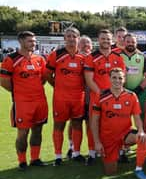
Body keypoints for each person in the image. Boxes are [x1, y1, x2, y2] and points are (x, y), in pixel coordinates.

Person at [0, 31, 48, 170]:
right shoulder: (11, 59)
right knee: (23, 133)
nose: (33, 43)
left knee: (38, 130)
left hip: (40, 101)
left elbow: (43, 78)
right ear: (20, 41)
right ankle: (22, 161)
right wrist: (19, 93)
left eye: (34, 41)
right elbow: (3, 82)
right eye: (30, 41)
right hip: (22, 103)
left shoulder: (39, 59)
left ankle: (35, 158)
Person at [91, 68, 146, 179]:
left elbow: (137, 117)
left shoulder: (131, 96)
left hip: (125, 134)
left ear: (124, 80)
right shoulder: (101, 96)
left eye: (120, 78)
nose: (117, 80)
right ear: (109, 79)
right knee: (110, 172)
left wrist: (141, 130)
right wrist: (97, 142)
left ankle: (138, 169)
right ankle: (118, 153)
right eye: (114, 77)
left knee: (142, 138)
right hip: (108, 137)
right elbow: (94, 121)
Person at [45, 27, 86, 165]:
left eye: (74, 36)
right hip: (60, 98)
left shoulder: (84, 57)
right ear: (64, 38)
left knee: (77, 124)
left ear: (78, 38)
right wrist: (57, 86)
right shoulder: (55, 55)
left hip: (78, 97)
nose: (71, 38)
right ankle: (57, 156)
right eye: (68, 36)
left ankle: (76, 153)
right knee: (59, 126)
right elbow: (47, 74)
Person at [84, 29, 125, 165]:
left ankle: (118, 152)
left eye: (108, 39)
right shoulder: (91, 57)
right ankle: (92, 153)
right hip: (97, 97)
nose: (106, 41)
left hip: (115, 98)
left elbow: (121, 78)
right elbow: (89, 80)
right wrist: (102, 94)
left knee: (116, 125)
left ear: (112, 40)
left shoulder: (118, 57)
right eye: (103, 39)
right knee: (93, 125)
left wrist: (114, 94)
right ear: (98, 40)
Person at [66, 34, 93, 159]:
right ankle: (71, 147)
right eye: (83, 43)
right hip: (75, 97)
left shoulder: (94, 58)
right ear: (78, 45)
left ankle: (92, 149)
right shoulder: (74, 58)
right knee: (74, 123)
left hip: (90, 98)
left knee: (90, 124)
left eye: (88, 43)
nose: (86, 45)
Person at [121, 34, 146, 111]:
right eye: (128, 41)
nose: (130, 44)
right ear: (123, 42)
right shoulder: (117, 56)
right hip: (121, 92)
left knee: (142, 118)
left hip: (140, 93)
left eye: (133, 42)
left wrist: (137, 90)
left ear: (136, 43)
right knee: (122, 117)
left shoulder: (143, 57)